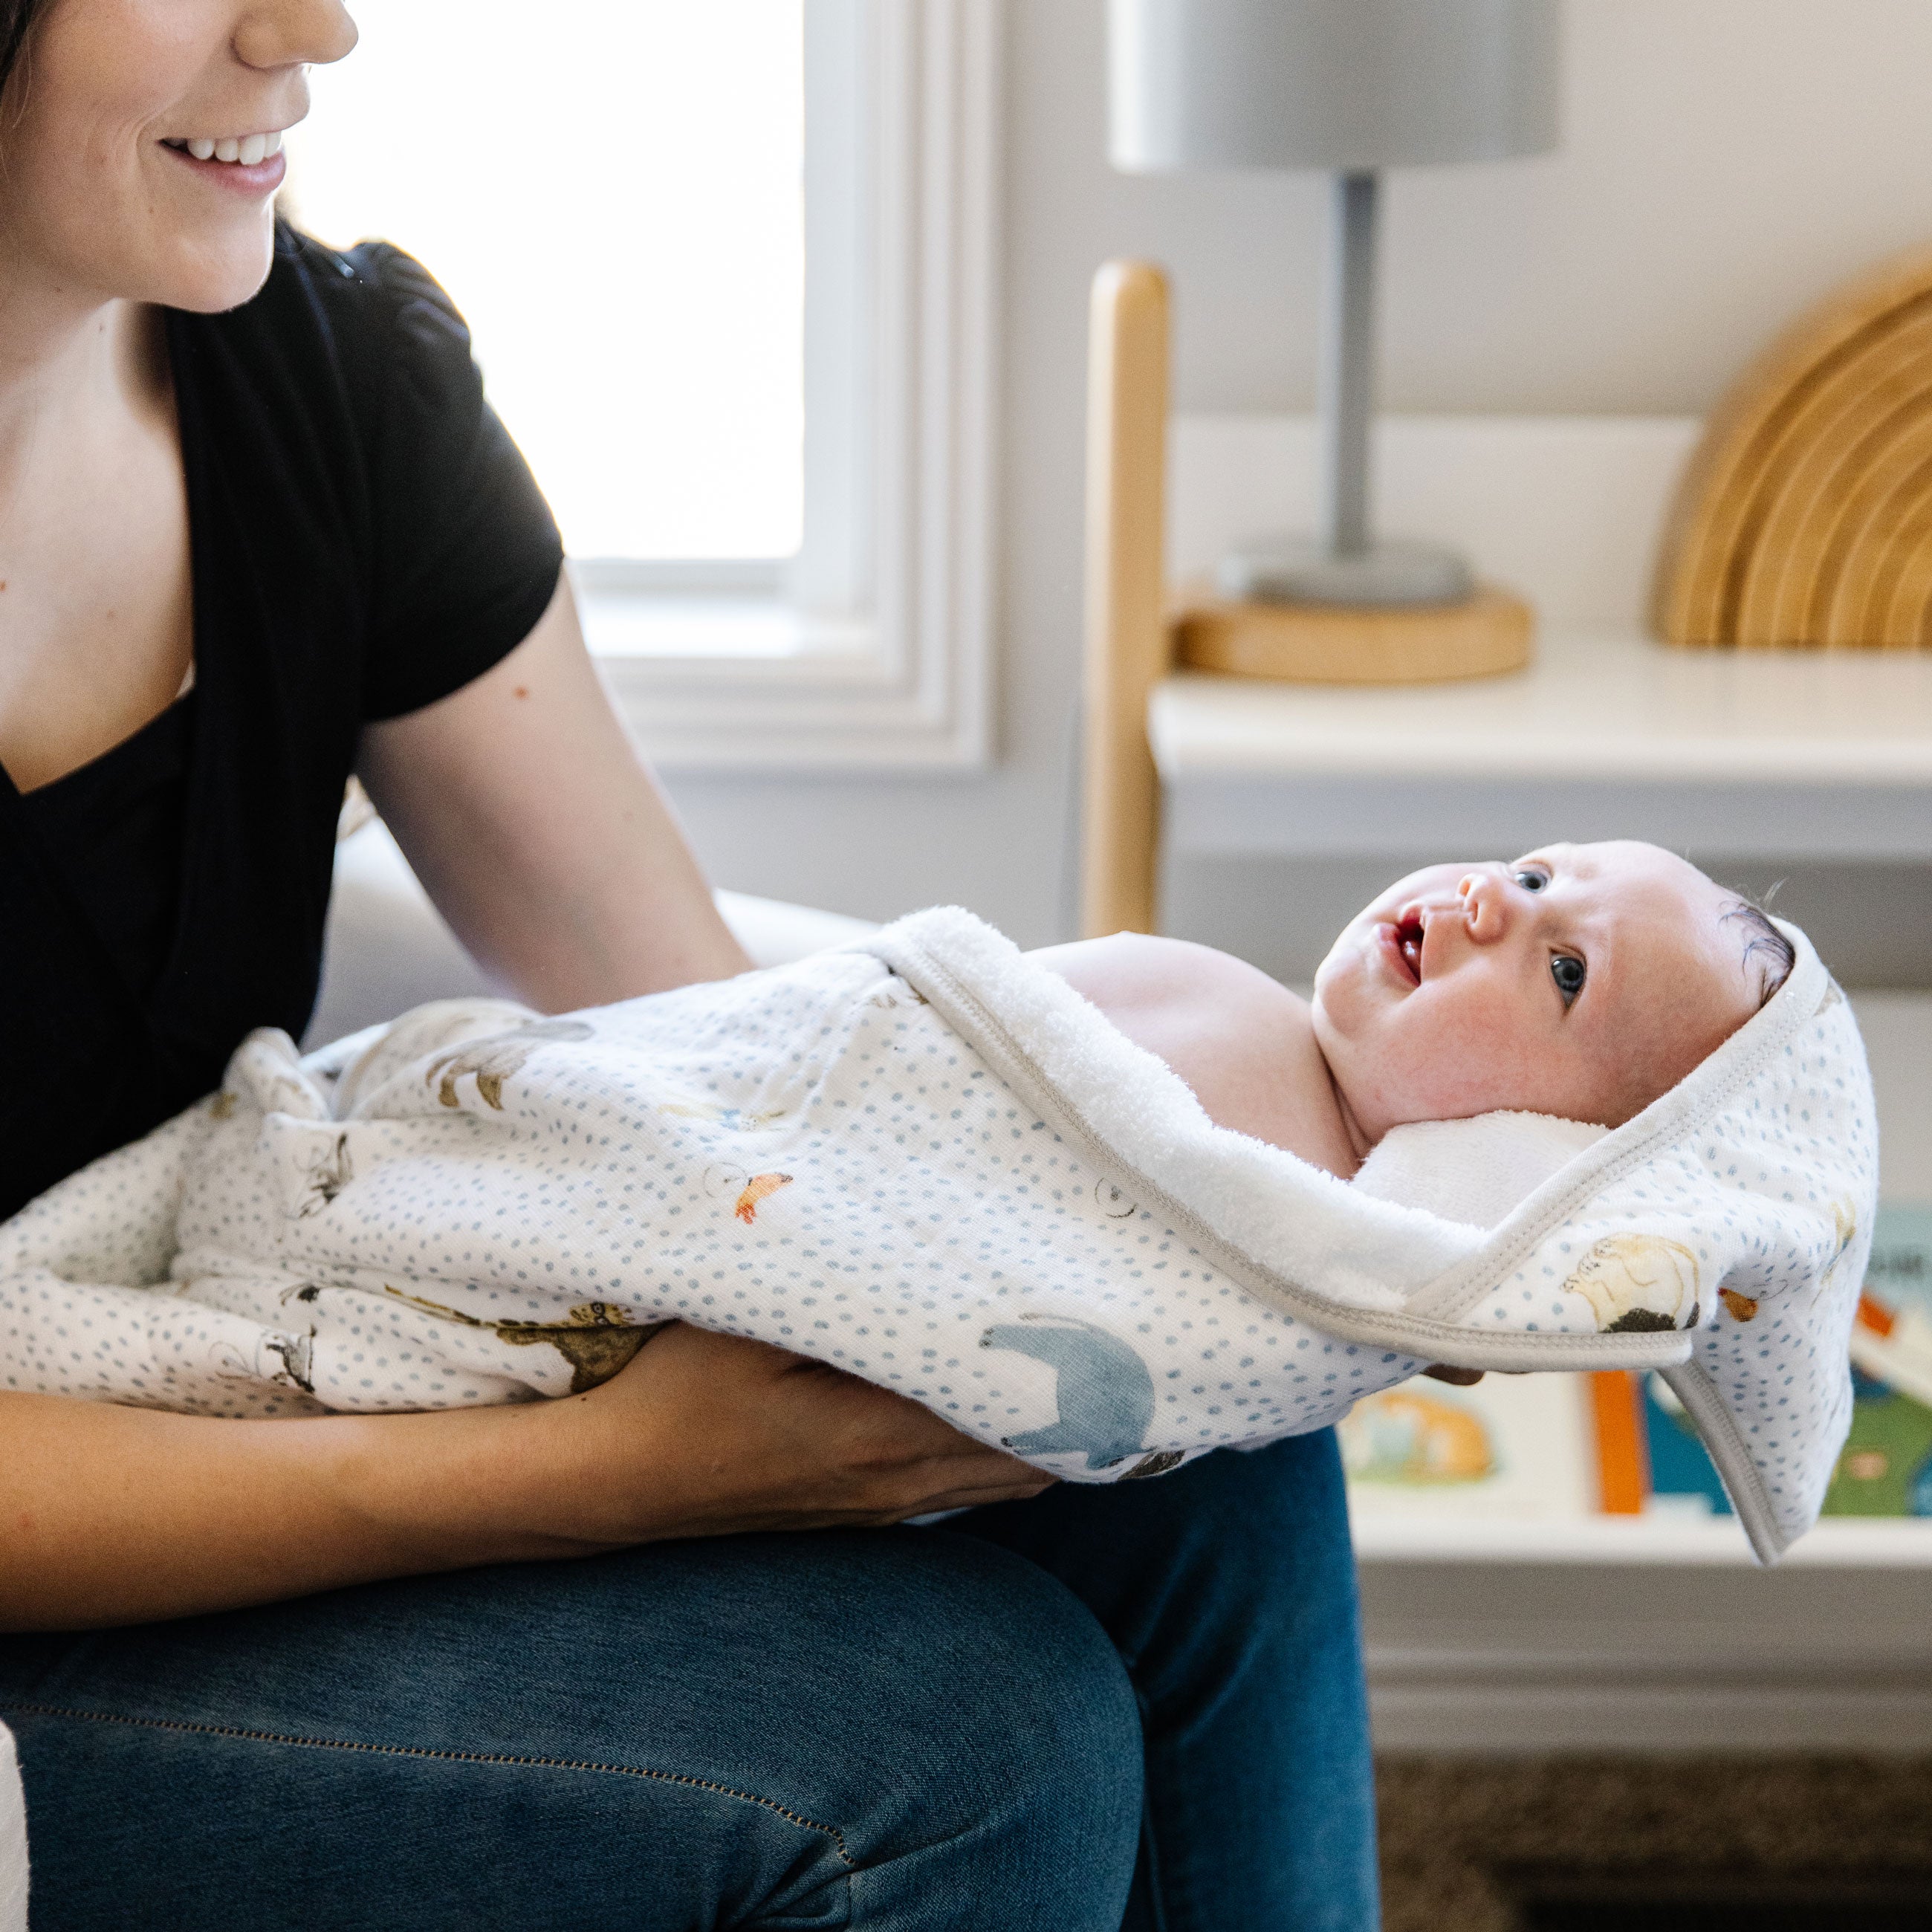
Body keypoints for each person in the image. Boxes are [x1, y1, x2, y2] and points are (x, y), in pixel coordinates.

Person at [0, 2, 1378, 1926]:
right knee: (966, 1743)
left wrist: (1205, 1227)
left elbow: (698, 1023)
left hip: (236, 1344)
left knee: (1192, 1450)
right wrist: (624, 1470)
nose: (316, 26)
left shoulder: (327, 395)